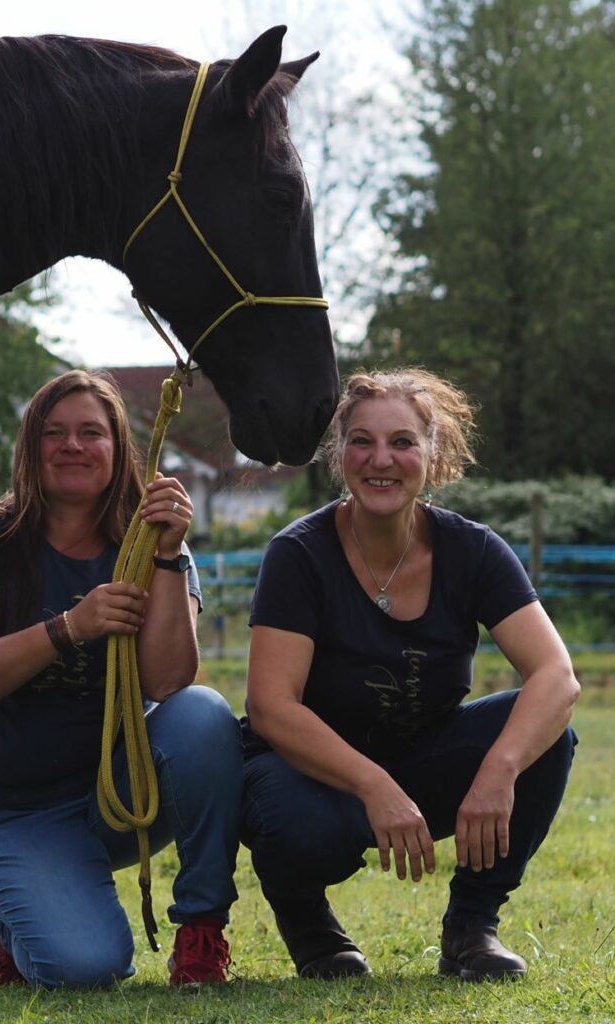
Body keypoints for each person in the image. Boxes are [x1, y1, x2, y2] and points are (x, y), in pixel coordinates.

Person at [241, 367, 579, 983]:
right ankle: (311, 930)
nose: (381, 460)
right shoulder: (298, 553)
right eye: (362, 441)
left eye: (402, 442)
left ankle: (471, 928)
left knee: (543, 733)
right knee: (286, 813)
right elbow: (270, 707)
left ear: (434, 453)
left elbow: (557, 675)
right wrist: (374, 787)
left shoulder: (473, 550)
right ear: (338, 453)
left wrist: (499, 769)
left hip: (423, 760)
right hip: (314, 776)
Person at [0, 369, 242, 989]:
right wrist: (69, 626)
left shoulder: (150, 544)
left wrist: (170, 557)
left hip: (115, 797)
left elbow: (170, 680)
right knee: (87, 968)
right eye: (55, 432)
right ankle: (21, 910)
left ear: (119, 448)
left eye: (91, 433)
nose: (72, 445)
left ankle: (202, 930)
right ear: (31, 448)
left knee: (204, 713)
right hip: (9, 810)